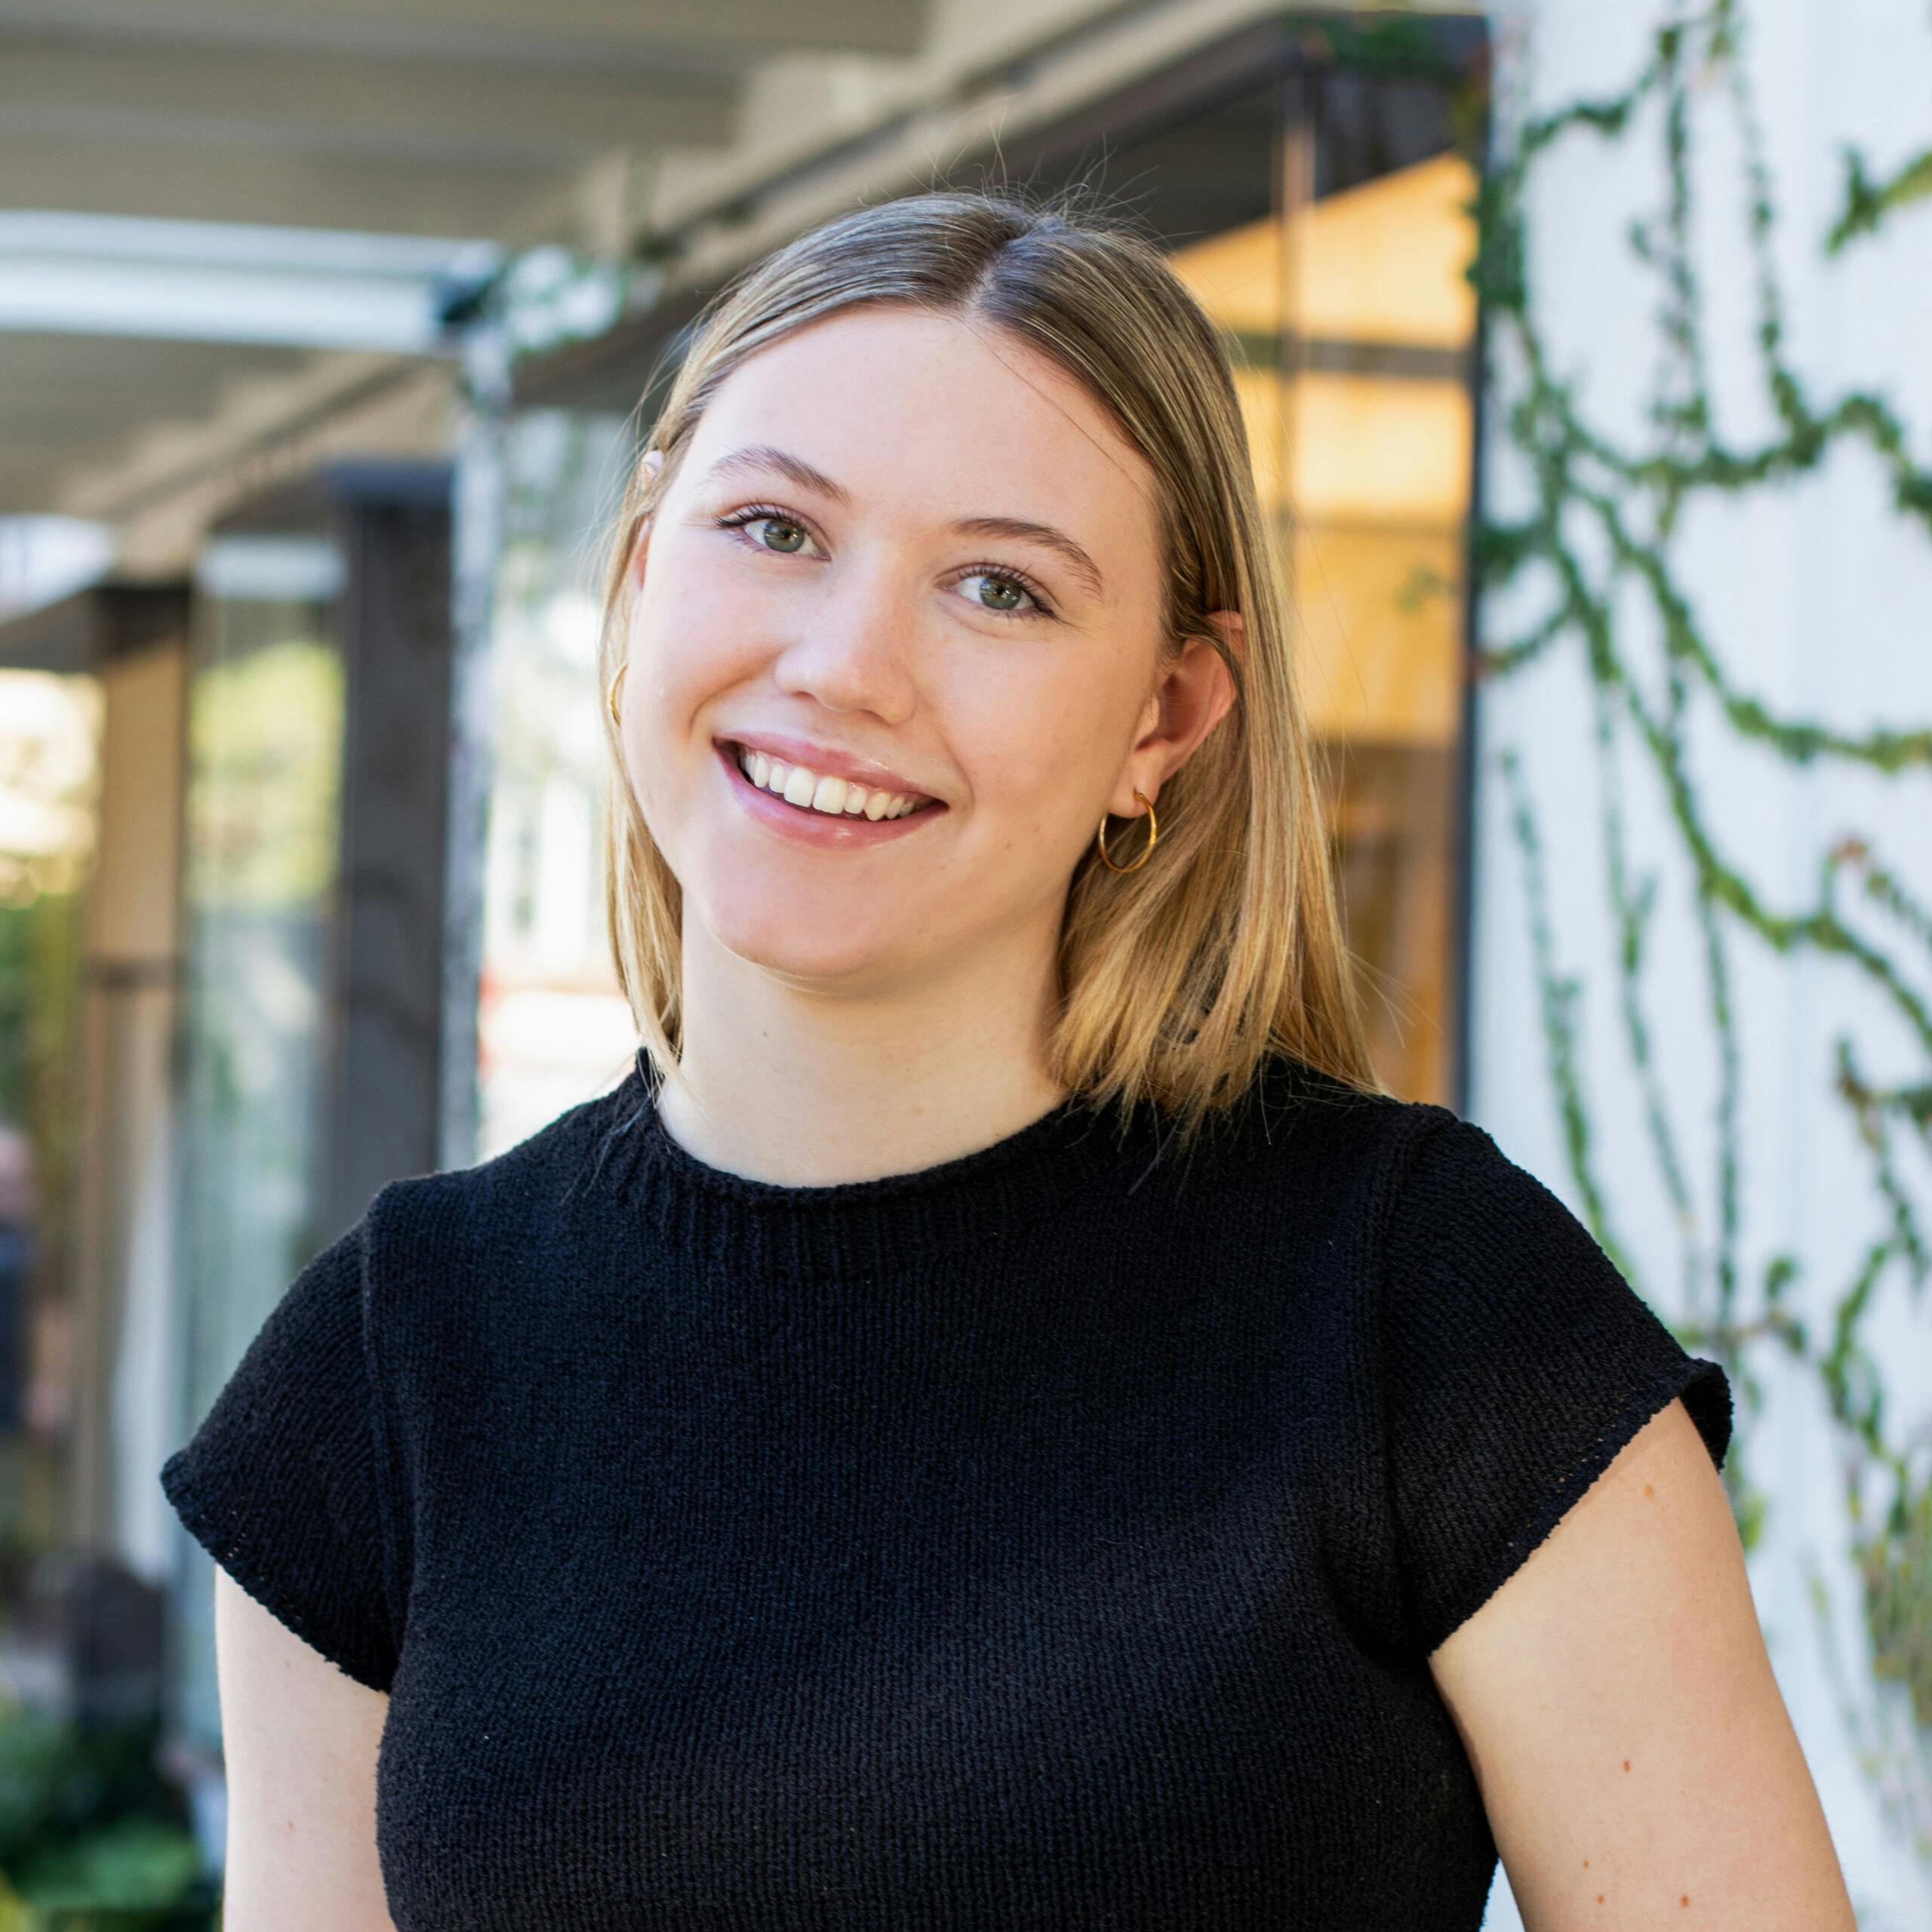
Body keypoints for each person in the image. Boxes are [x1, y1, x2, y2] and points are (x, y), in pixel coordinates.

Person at [159, 186, 1855, 1930]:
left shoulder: (1421, 1305)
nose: (845, 668)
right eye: (772, 527)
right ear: (644, 567)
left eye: (999, 587)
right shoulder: (387, 1363)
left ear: (1163, 717)